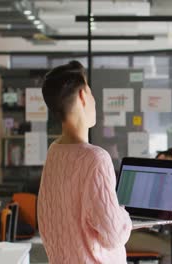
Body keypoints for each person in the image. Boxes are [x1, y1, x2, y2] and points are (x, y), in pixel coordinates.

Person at [37, 61, 132, 263]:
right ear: (82, 96)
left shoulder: (54, 152)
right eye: (90, 92)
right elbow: (113, 236)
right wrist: (123, 213)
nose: (93, 100)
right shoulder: (96, 159)